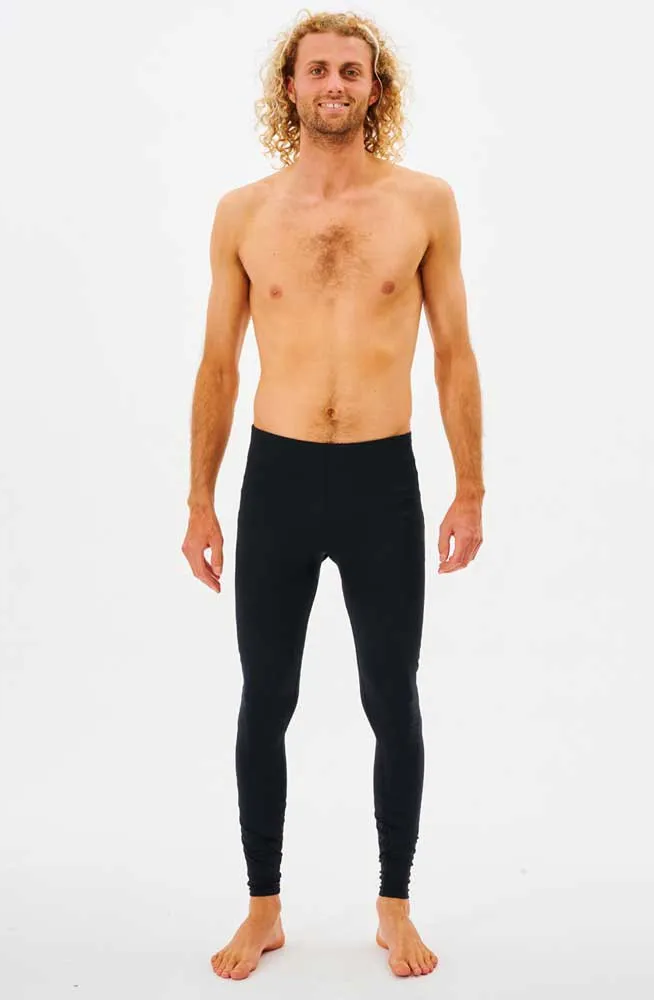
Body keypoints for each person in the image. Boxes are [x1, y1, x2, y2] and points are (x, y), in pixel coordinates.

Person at [181, 11, 484, 981]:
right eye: (317, 69)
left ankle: (393, 908)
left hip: (380, 481)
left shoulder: (423, 203)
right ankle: (262, 908)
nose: (334, 83)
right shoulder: (243, 213)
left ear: (374, 88)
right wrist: (199, 500)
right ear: (291, 86)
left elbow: (453, 354)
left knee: (391, 697)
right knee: (264, 696)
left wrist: (470, 488)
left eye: (351, 70)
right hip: (275, 479)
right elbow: (218, 366)